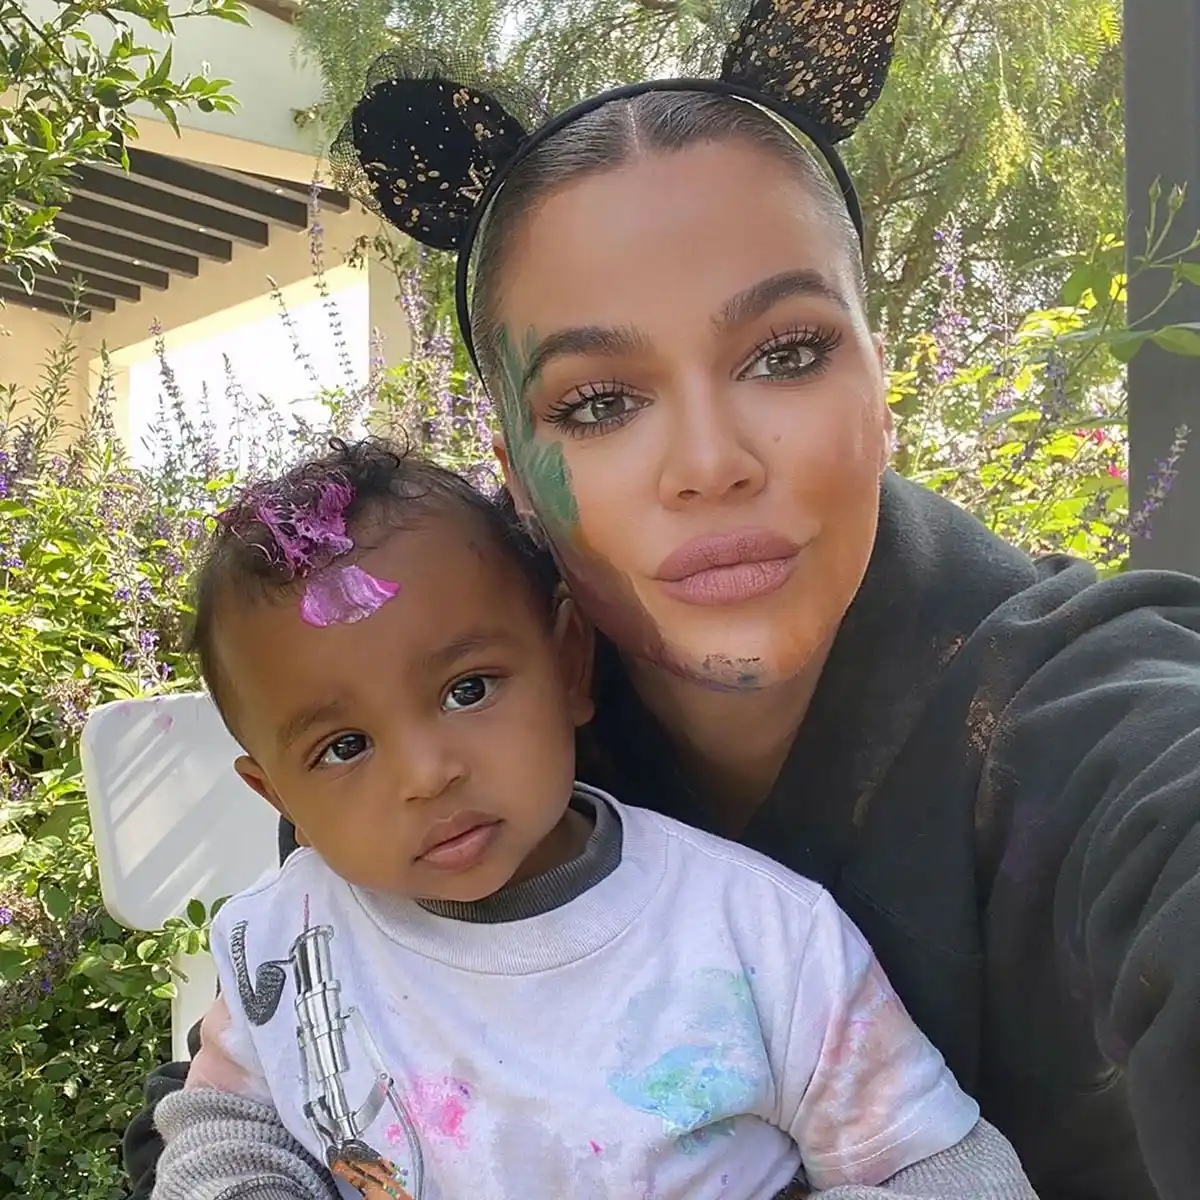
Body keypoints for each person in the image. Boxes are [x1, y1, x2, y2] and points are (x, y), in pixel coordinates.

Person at [121, 2, 1200, 1198]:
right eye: (598, 403)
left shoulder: (1100, 725)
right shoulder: (411, 711)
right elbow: (260, 1092)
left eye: (786, 354)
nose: (709, 461)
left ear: (879, 377)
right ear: (512, 466)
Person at [147, 438, 1033, 1200]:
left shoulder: (756, 936)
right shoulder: (287, 943)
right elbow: (227, 1129)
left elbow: (937, 1168)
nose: (426, 773)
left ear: (570, 664)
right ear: (278, 798)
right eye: (343, 747)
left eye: (468, 690)